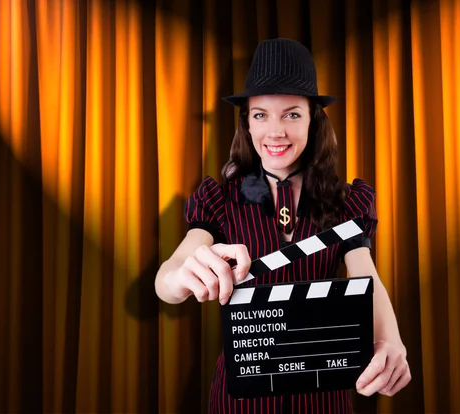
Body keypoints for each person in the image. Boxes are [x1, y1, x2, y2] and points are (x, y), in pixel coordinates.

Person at [155, 38, 410, 413]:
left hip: (324, 395)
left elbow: (366, 278)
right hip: (241, 397)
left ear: (313, 119)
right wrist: (180, 278)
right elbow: (168, 278)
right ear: (247, 122)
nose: (275, 132)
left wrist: (391, 339)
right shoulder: (221, 200)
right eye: (261, 115)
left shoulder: (345, 203)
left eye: (292, 114)